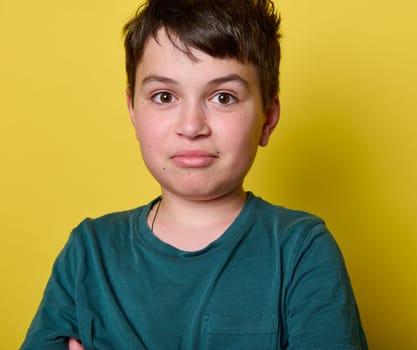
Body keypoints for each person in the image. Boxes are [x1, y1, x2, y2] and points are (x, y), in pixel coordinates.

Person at [21, 0, 368, 349]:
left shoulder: (300, 249)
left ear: (268, 117)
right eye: (164, 96)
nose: (191, 126)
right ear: (133, 111)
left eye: (223, 97)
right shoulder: (89, 253)